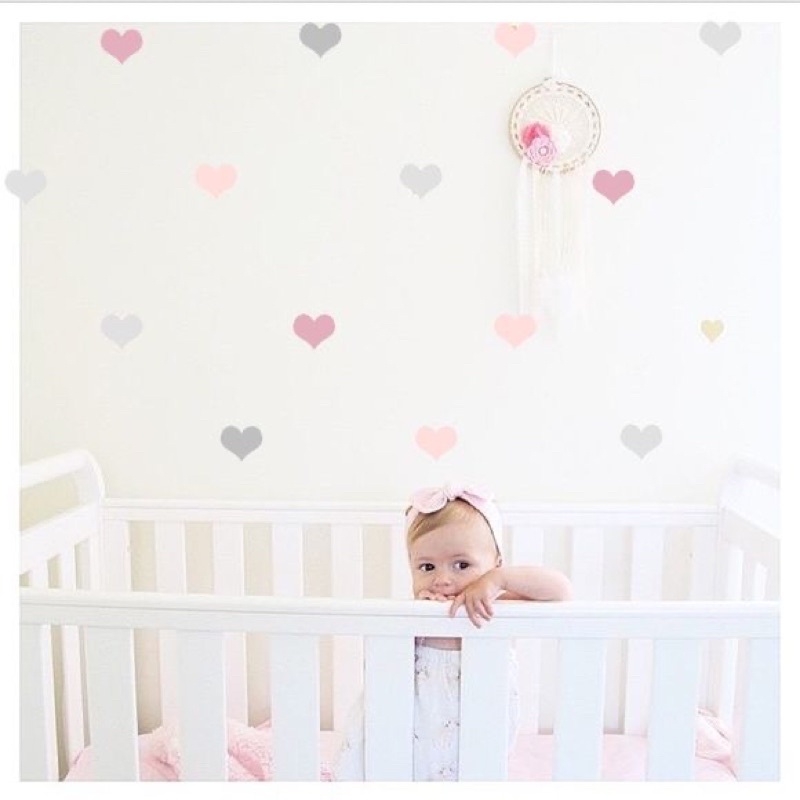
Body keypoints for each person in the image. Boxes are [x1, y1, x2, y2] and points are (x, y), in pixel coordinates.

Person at [331, 483, 572, 781]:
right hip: (409, 746)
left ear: (495, 564)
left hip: (475, 742)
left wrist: (499, 580)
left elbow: (561, 591)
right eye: (427, 567)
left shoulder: (494, 608)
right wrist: (416, 622)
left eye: (461, 564)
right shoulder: (409, 617)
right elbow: (385, 679)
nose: (443, 579)